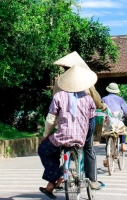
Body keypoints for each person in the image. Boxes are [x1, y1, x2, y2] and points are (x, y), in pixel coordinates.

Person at [38, 65, 103, 200]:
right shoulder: (88, 99)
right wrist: (87, 137)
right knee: (86, 151)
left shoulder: (59, 96)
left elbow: (51, 119)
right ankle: (87, 179)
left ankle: (57, 175)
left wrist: (46, 135)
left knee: (44, 149)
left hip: (62, 136)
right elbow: (91, 121)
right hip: (80, 137)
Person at [52, 51, 107, 188]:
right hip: (85, 122)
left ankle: (59, 177)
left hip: (65, 122)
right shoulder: (85, 81)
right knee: (88, 148)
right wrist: (102, 106)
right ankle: (93, 180)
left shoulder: (59, 82)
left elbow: (54, 101)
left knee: (61, 146)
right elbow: (96, 101)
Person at [102, 82, 127, 158]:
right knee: (123, 129)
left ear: (108, 90)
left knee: (108, 136)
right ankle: (123, 145)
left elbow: (100, 109)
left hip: (106, 121)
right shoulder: (120, 99)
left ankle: (107, 157)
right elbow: (126, 111)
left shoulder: (103, 99)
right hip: (116, 120)